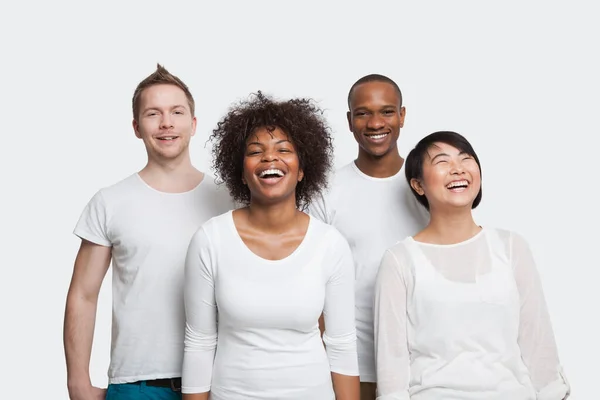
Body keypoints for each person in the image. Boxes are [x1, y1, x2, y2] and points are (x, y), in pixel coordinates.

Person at [63, 64, 235, 400]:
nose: (166, 123)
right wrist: (77, 382)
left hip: (220, 378)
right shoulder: (110, 201)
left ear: (194, 123)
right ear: (136, 127)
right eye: (153, 113)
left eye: (177, 112)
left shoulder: (229, 199)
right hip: (137, 384)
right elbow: (83, 294)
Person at [181, 92, 360, 400]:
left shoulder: (329, 245)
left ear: (303, 169)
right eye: (256, 151)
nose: (269, 158)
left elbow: (342, 344)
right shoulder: (211, 239)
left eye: (284, 149)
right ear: (241, 171)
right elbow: (199, 342)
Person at [373, 131, 570, 399]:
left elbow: (538, 343)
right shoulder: (400, 260)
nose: (458, 169)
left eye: (466, 159)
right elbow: (391, 367)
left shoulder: (511, 247)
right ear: (418, 185)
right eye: (442, 162)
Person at [309, 74, 429, 399]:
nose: (375, 122)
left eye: (387, 111)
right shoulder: (326, 191)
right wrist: (327, 359)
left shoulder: (428, 187)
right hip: (352, 366)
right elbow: (310, 281)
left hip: (422, 364)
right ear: (349, 121)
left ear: (402, 115)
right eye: (363, 113)